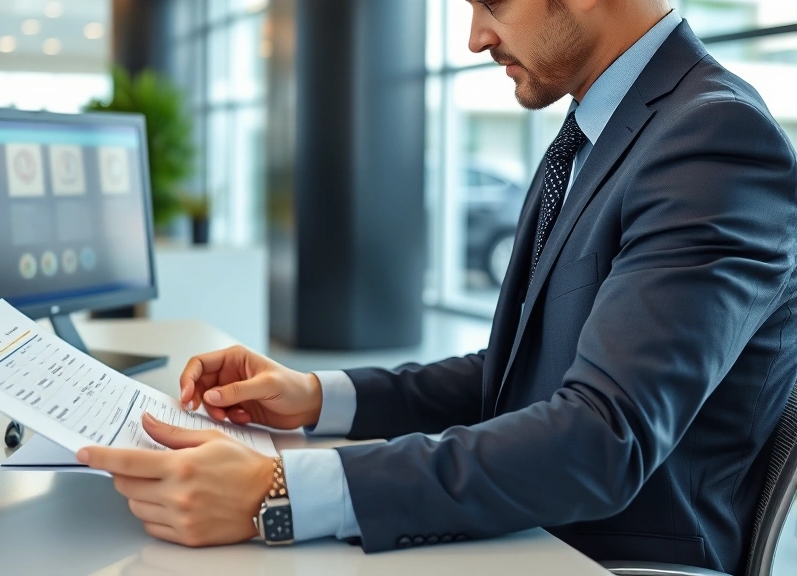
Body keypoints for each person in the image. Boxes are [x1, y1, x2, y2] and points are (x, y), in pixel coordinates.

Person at [76, 0, 797, 572]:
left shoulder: (713, 142)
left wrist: (280, 492)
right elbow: (523, 373)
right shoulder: (601, 130)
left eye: (491, 4)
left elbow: (599, 438)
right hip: (541, 530)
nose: (474, 39)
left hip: (613, 555)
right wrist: (317, 397)